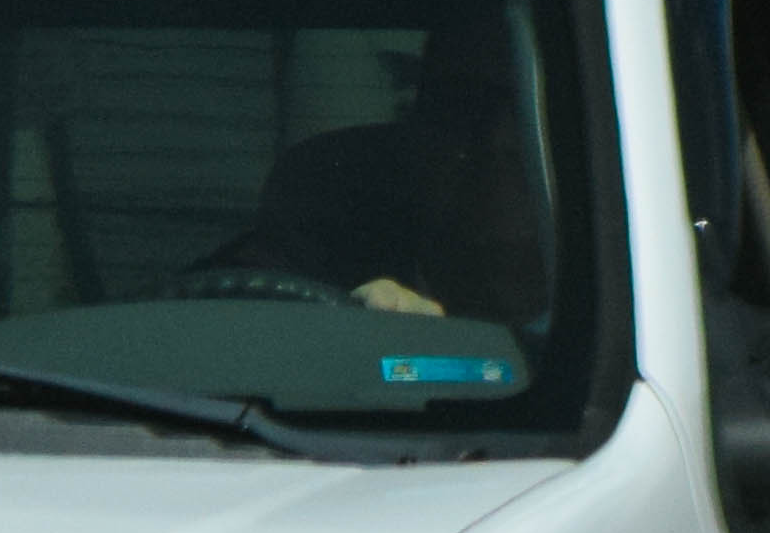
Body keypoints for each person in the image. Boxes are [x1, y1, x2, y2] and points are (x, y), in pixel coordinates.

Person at [191, 19, 554, 321]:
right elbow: (209, 307)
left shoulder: (602, 284)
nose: (495, 188)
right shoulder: (330, 234)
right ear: (416, 135)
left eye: (531, 123)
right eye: (461, 113)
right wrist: (355, 335)